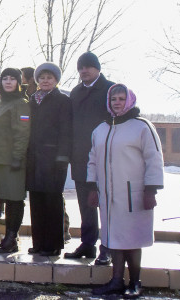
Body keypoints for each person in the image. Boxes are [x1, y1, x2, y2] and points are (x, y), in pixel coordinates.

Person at [88, 84, 163, 298]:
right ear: (108, 102)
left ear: (129, 100)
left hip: (134, 194)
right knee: (114, 239)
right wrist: (93, 187)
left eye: (121, 99)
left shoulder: (141, 127)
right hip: (109, 196)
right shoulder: (101, 129)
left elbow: (154, 158)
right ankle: (116, 281)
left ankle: (135, 282)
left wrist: (151, 190)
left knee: (132, 239)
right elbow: (92, 160)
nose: (117, 102)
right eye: (114, 99)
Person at [65, 52, 115, 265]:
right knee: (86, 204)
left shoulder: (110, 90)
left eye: (88, 66)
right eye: (80, 67)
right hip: (80, 156)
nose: (84, 70)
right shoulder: (75, 92)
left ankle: (109, 246)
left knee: (106, 204)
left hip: (104, 158)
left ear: (98, 68)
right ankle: (88, 244)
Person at [26, 62, 72, 257]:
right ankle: (38, 242)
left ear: (56, 81)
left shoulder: (62, 101)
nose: (45, 81)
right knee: (36, 200)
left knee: (52, 201)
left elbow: (66, 130)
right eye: (42, 78)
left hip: (53, 159)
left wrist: (62, 156)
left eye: (49, 78)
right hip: (34, 158)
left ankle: (53, 244)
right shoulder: (32, 101)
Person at [0, 68, 31, 254]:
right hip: (0, 161)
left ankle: (11, 239)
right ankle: (9, 237)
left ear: (18, 82)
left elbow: (22, 132)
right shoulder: (2, 103)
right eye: (4, 78)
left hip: (12, 161)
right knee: (8, 199)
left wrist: (17, 157)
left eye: (12, 78)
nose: (7, 81)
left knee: (14, 200)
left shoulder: (20, 104)